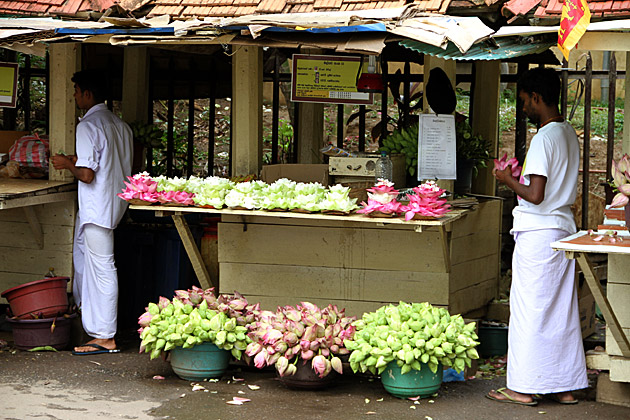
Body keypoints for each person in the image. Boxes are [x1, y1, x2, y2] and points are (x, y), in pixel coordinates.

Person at [487, 67, 587, 405]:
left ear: (537, 97)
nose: (524, 108)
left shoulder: (543, 137)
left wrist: (506, 179)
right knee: (559, 312)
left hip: (539, 233)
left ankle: (522, 387)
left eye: (525, 102)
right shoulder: (568, 133)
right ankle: (564, 387)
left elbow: (536, 195)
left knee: (530, 310)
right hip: (561, 231)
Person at [50, 69, 133, 355]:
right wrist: (78, 161)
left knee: (102, 268)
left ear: (87, 94)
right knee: (91, 265)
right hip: (115, 205)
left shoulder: (87, 126)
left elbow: (86, 175)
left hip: (97, 208)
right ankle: (94, 327)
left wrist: (66, 164)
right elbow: (108, 163)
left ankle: (105, 336)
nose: (74, 97)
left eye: (76, 92)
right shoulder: (119, 125)